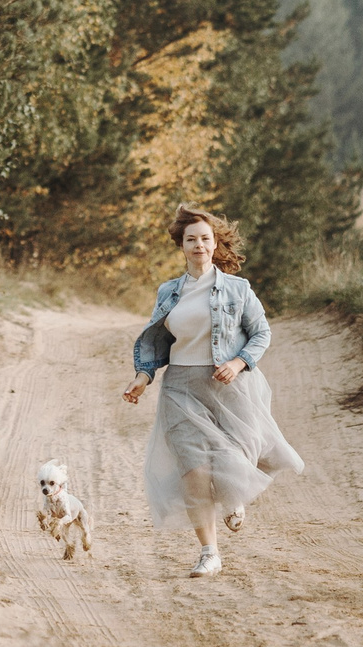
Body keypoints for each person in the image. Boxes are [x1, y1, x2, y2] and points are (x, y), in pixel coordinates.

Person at [124, 204, 305, 576]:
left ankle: (234, 496)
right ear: (182, 246)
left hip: (227, 385)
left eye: (205, 239)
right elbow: (158, 342)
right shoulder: (169, 291)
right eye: (191, 240)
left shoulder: (238, 289)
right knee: (193, 469)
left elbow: (261, 333)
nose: (199, 245)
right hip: (180, 387)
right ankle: (209, 552)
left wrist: (238, 362)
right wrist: (143, 378)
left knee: (229, 459)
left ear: (215, 243)